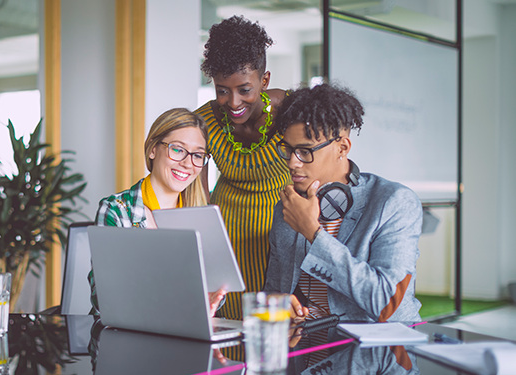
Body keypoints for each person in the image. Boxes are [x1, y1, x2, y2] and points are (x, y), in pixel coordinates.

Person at [264, 83, 423, 324]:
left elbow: (390, 306)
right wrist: (279, 304)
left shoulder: (393, 203)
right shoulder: (287, 208)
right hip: (306, 351)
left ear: (342, 147)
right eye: (287, 149)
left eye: (305, 151)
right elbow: (273, 293)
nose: (292, 163)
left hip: (378, 354)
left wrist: (313, 233)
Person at [196, 15, 292, 320]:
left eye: (244, 90)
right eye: (222, 90)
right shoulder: (206, 120)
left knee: (272, 336)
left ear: (264, 81)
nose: (232, 101)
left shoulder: (292, 113)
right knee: (229, 335)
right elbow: (199, 197)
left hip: (278, 241)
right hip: (225, 243)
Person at [88, 108, 225, 316]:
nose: (188, 163)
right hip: (124, 338)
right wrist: (180, 299)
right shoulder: (116, 210)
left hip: (184, 333)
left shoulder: (203, 219)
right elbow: (103, 298)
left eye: (198, 155)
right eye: (178, 149)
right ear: (153, 149)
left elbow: (212, 288)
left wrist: (208, 300)